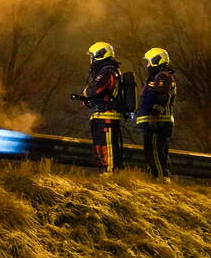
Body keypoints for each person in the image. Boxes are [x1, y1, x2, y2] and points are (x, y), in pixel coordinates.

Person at [73, 41, 124, 173]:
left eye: (93, 55)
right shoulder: (104, 70)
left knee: (108, 146)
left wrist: (86, 92)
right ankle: (104, 171)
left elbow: (96, 90)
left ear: (100, 55)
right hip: (100, 114)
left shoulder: (108, 70)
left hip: (107, 114)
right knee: (100, 146)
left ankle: (111, 173)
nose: (92, 59)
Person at [136, 47, 176, 181]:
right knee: (159, 151)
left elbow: (162, 96)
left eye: (149, 62)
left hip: (158, 122)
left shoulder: (163, 76)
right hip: (160, 122)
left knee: (154, 152)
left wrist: (154, 113)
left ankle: (159, 178)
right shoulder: (162, 76)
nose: (147, 65)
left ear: (156, 60)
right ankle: (160, 177)